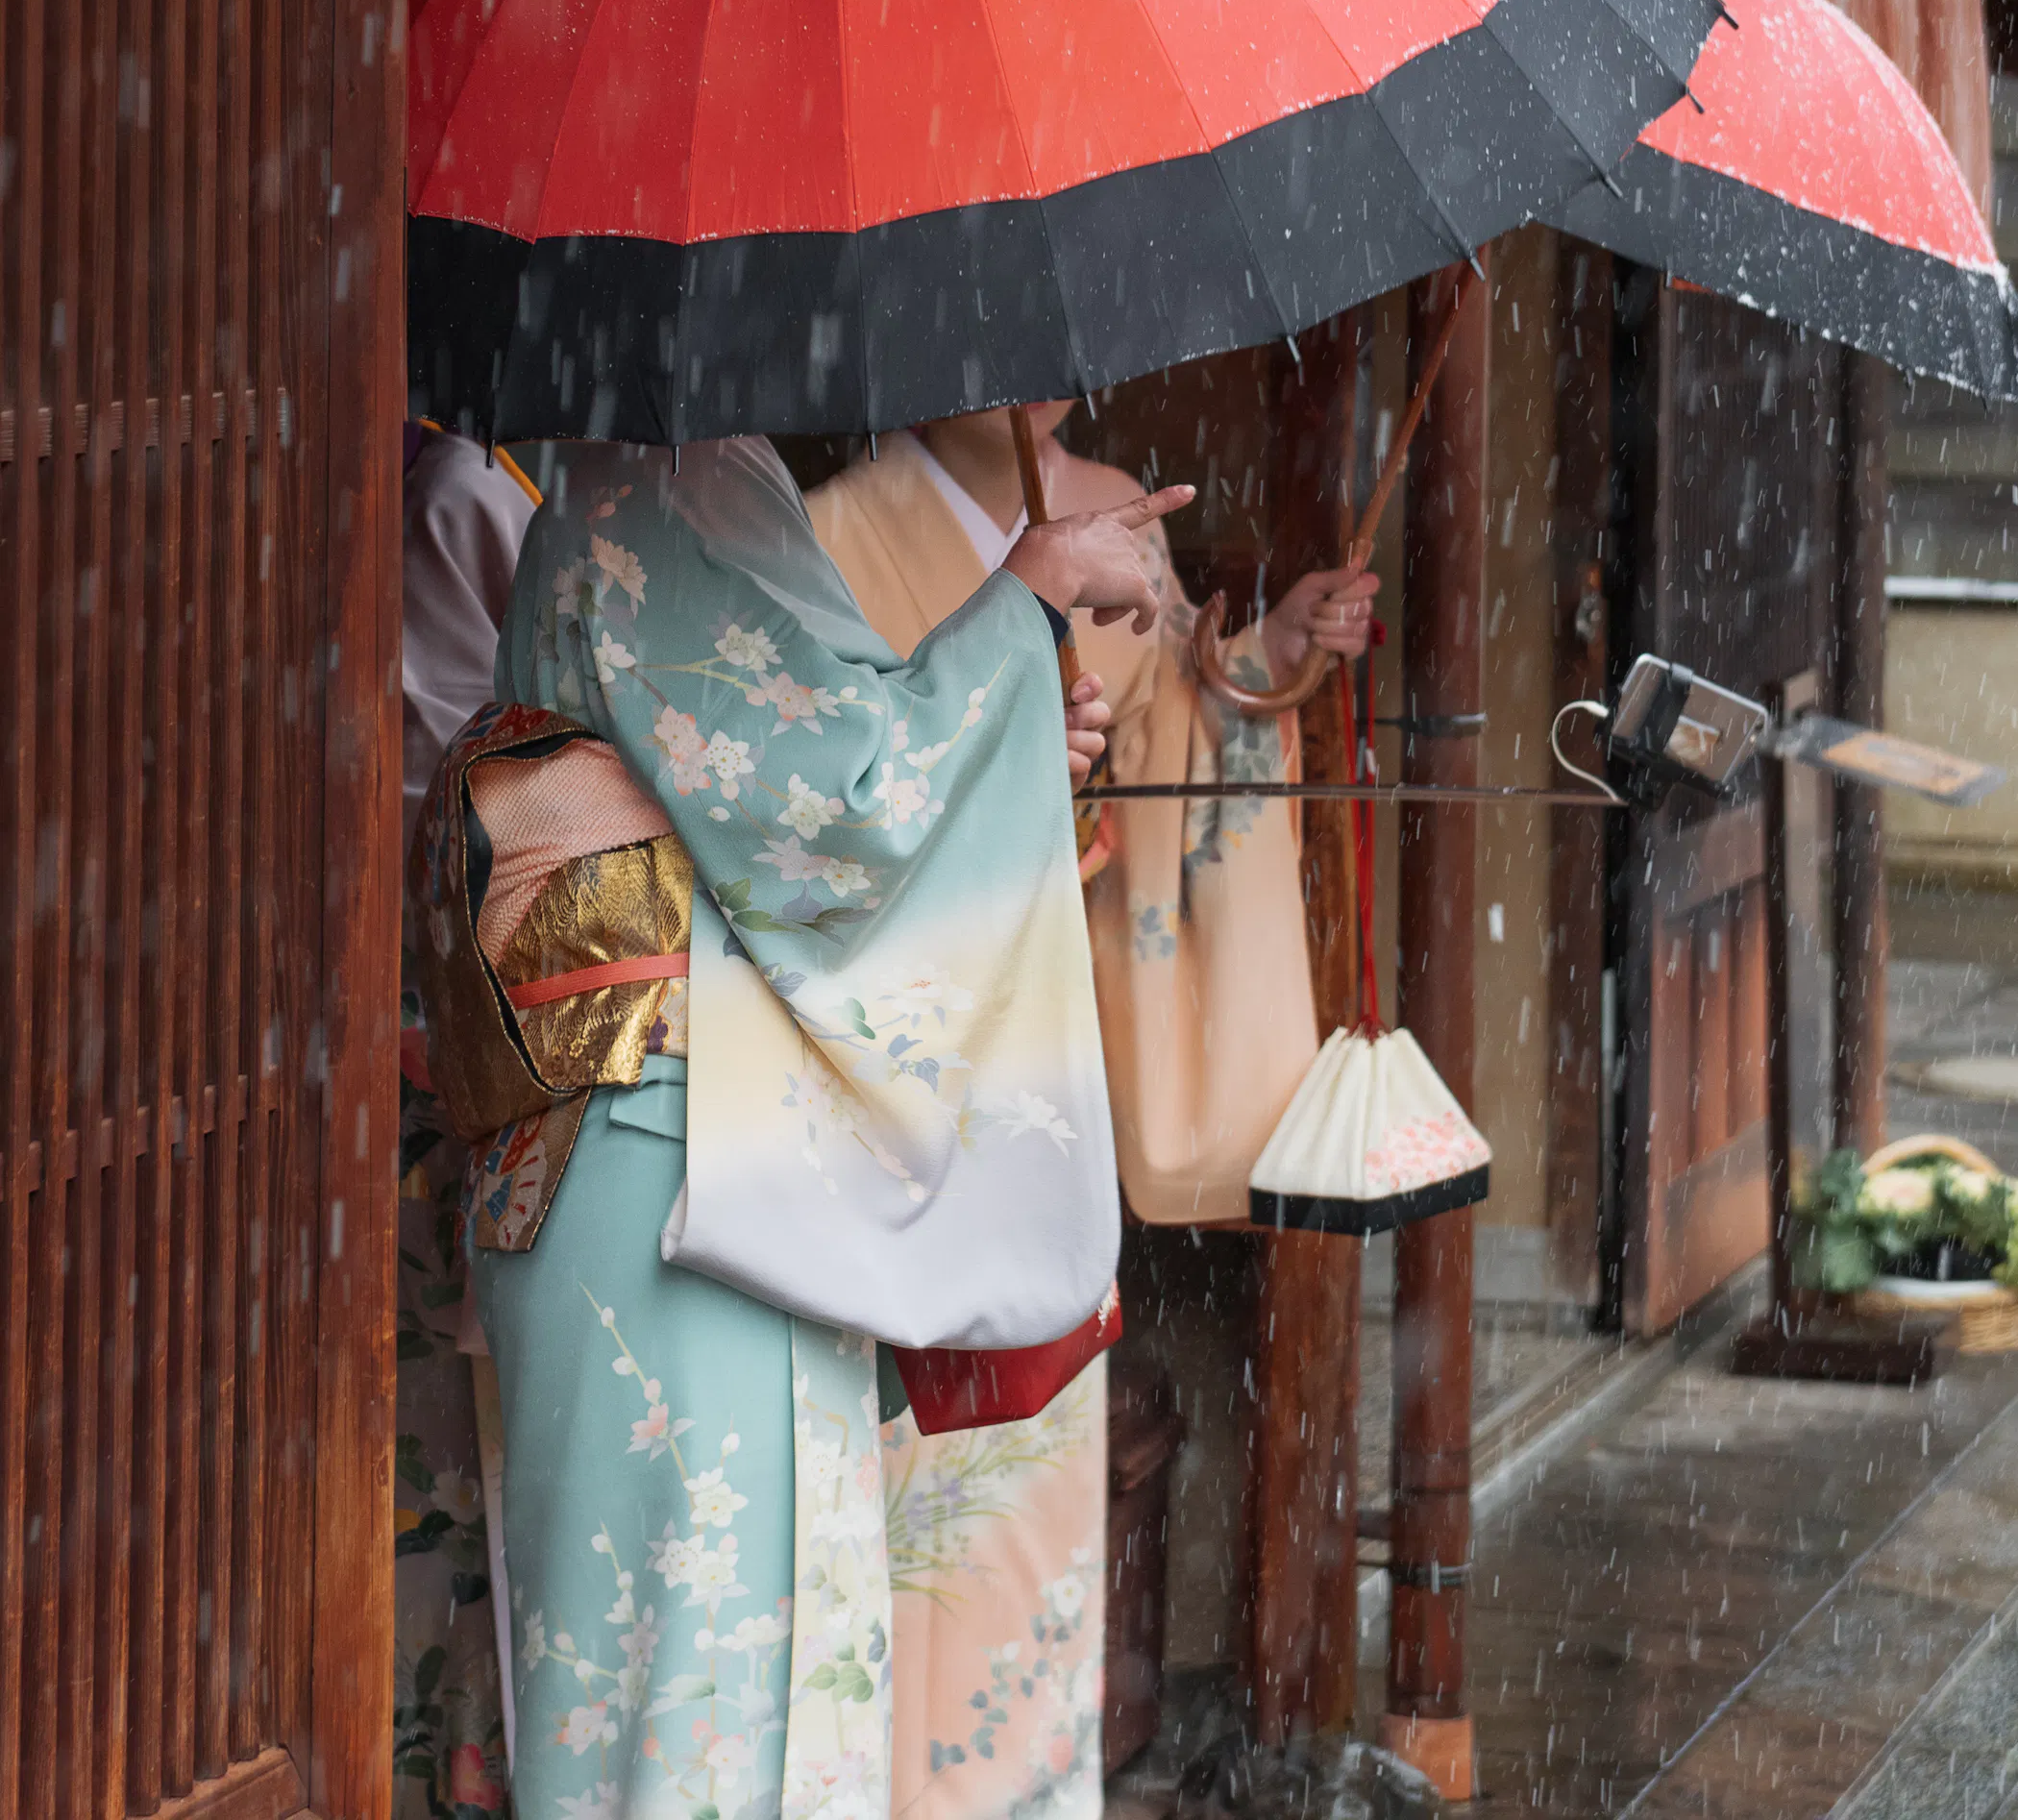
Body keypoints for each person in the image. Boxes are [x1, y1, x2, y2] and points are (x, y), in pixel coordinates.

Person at [410, 433, 1189, 1820]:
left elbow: (794, 766)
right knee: (716, 1698)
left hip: (610, 1157)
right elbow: (850, 807)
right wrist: (1028, 598)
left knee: (634, 1693)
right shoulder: (678, 483)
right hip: (688, 1177)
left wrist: (998, 682)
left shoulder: (613, 481)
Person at [806, 404, 1375, 1820]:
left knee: (1037, 1460)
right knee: (901, 1465)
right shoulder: (836, 528)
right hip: (922, 1038)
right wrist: (1001, 739)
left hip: (1052, 1016)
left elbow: (1177, 724)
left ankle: (1016, 1782)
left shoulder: (1116, 504)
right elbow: (835, 790)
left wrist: (1277, 655)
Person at [395, 424, 539, 1820]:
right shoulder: (459, 487)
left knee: (469, 1427)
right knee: (453, 1426)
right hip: (450, 972)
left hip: (465, 971)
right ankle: (453, 1758)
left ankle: (459, 1750)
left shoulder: (480, 474)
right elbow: (458, 763)